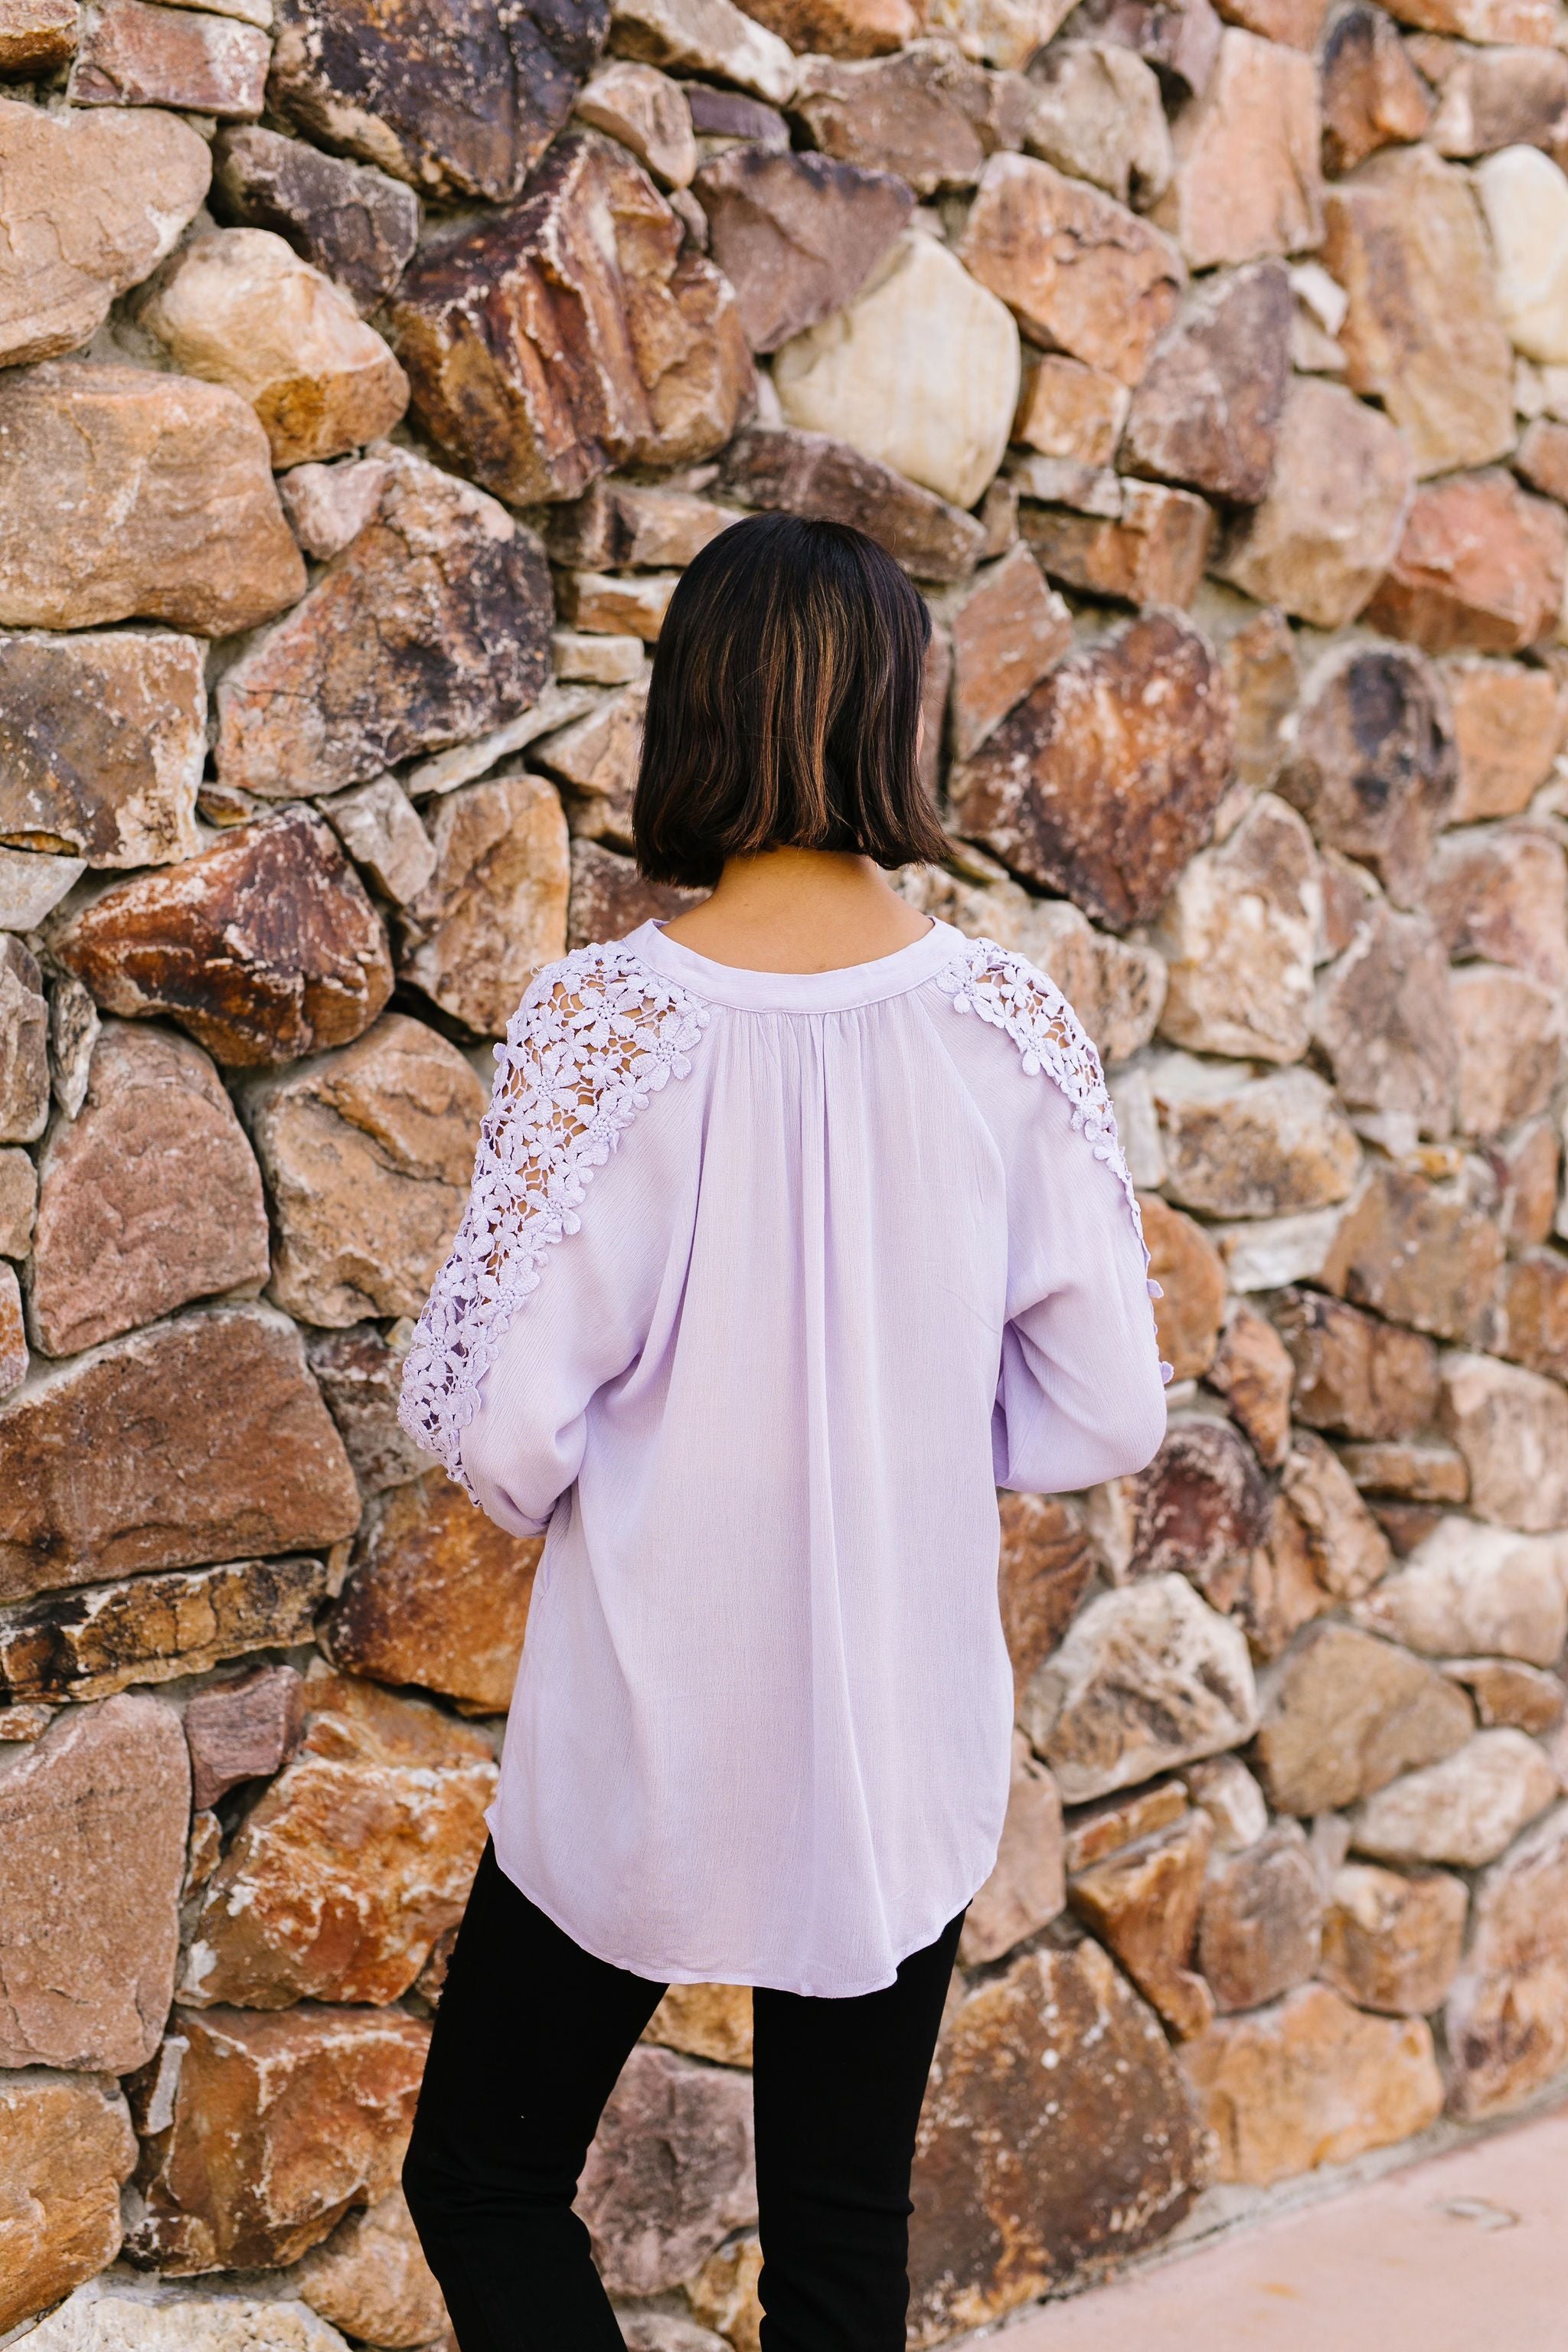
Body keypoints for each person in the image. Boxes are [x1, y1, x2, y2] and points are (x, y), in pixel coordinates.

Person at [397, 512, 1170, 2351]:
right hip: (890, 1735)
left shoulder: (603, 1028)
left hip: (648, 1724)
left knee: (484, 2181)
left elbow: (499, 1428)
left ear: (692, 718)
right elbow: (1106, 1404)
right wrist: (889, 1422)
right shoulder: (1006, 1025)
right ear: (897, 719)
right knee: (840, 2248)